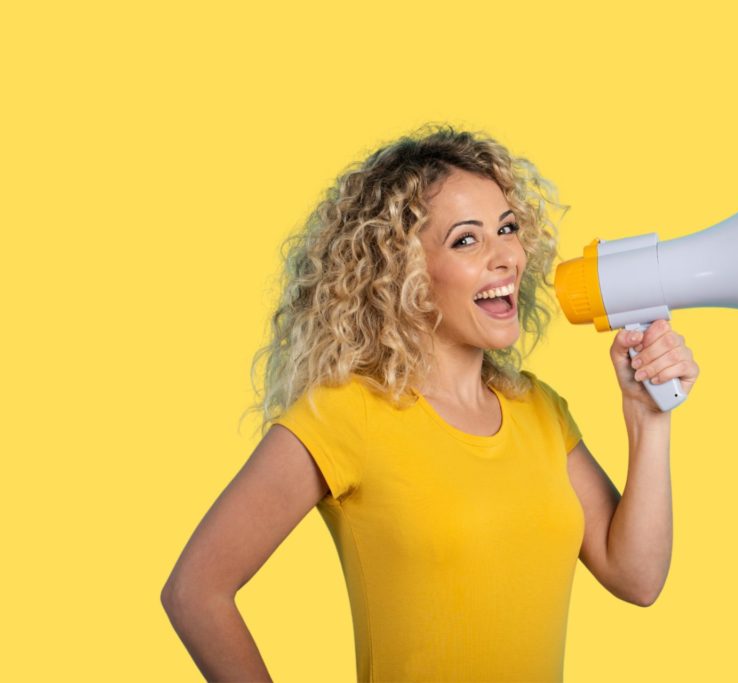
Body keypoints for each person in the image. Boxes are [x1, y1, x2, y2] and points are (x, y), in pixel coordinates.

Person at [160, 123, 699, 682]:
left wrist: (648, 418)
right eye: (466, 239)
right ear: (401, 274)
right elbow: (196, 591)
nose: (506, 258)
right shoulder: (348, 414)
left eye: (507, 229)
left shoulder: (539, 409)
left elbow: (636, 577)